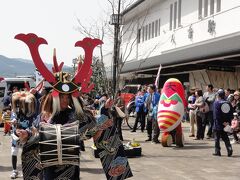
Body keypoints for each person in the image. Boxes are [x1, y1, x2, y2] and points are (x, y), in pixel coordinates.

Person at [212, 89, 233, 157]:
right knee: (225, 137)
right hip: (226, 123)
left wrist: (221, 122)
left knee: (217, 138)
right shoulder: (228, 103)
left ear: (218, 95)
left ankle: (217, 151)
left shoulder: (216, 103)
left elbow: (216, 115)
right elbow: (231, 114)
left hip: (218, 123)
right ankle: (229, 148)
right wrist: (227, 122)